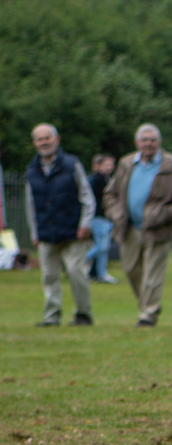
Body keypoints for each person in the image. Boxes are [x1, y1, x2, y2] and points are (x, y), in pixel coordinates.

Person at [103, 123, 172, 327]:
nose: (148, 143)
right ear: (137, 143)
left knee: (153, 274)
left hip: (158, 229)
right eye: (144, 140)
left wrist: (164, 214)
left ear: (159, 142)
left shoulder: (171, 164)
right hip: (129, 228)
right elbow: (110, 194)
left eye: (152, 140)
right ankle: (147, 306)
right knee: (131, 270)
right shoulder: (126, 163)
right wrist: (116, 213)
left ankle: (148, 314)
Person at [25, 123, 95, 327]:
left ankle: (83, 314)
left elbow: (86, 196)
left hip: (73, 230)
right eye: (40, 139)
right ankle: (52, 316)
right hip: (46, 232)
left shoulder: (72, 164)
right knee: (49, 276)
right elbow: (30, 204)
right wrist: (34, 233)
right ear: (35, 143)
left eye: (47, 137)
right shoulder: (31, 170)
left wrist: (85, 223)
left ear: (57, 139)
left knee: (76, 272)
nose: (44, 142)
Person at [85, 154, 118, 284]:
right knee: (101, 247)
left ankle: (101, 273)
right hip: (98, 217)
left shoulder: (106, 179)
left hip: (105, 218)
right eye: (107, 164)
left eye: (111, 165)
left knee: (104, 248)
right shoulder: (98, 180)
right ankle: (77, 264)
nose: (109, 167)